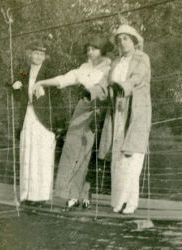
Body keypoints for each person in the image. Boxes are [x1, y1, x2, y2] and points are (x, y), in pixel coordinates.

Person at [34, 35, 113, 209]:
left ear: (102, 51)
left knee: (91, 153)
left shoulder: (110, 68)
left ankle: (85, 194)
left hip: (101, 112)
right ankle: (71, 194)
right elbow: (65, 79)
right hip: (83, 108)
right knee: (72, 149)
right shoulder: (84, 68)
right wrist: (42, 82)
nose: (89, 51)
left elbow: (107, 88)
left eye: (94, 48)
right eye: (88, 48)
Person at [97, 24, 152, 214]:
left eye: (126, 38)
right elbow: (106, 82)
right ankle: (118, 201)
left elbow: (137, 78)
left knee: (132, 155)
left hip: (136, 110)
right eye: (119, 40)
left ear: (134, 40)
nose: (122, 42)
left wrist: (124, 85)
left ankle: (131, 202)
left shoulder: (141, 58)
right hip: (117, 111)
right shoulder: (115, 62)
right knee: (118, 157)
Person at [11, 41, 56, 204]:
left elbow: (58, 94)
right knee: (27, 153)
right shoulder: (24, 71)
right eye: (36, 53)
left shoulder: (49, 72)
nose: (38, 56)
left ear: (45, 57)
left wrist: (46, 91)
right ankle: (27, 194)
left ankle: (42, 196)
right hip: (27, 115)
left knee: (42, 154)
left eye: (41, 54)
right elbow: (17, 88)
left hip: (42, 118)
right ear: (30, 54)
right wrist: (15, 86)